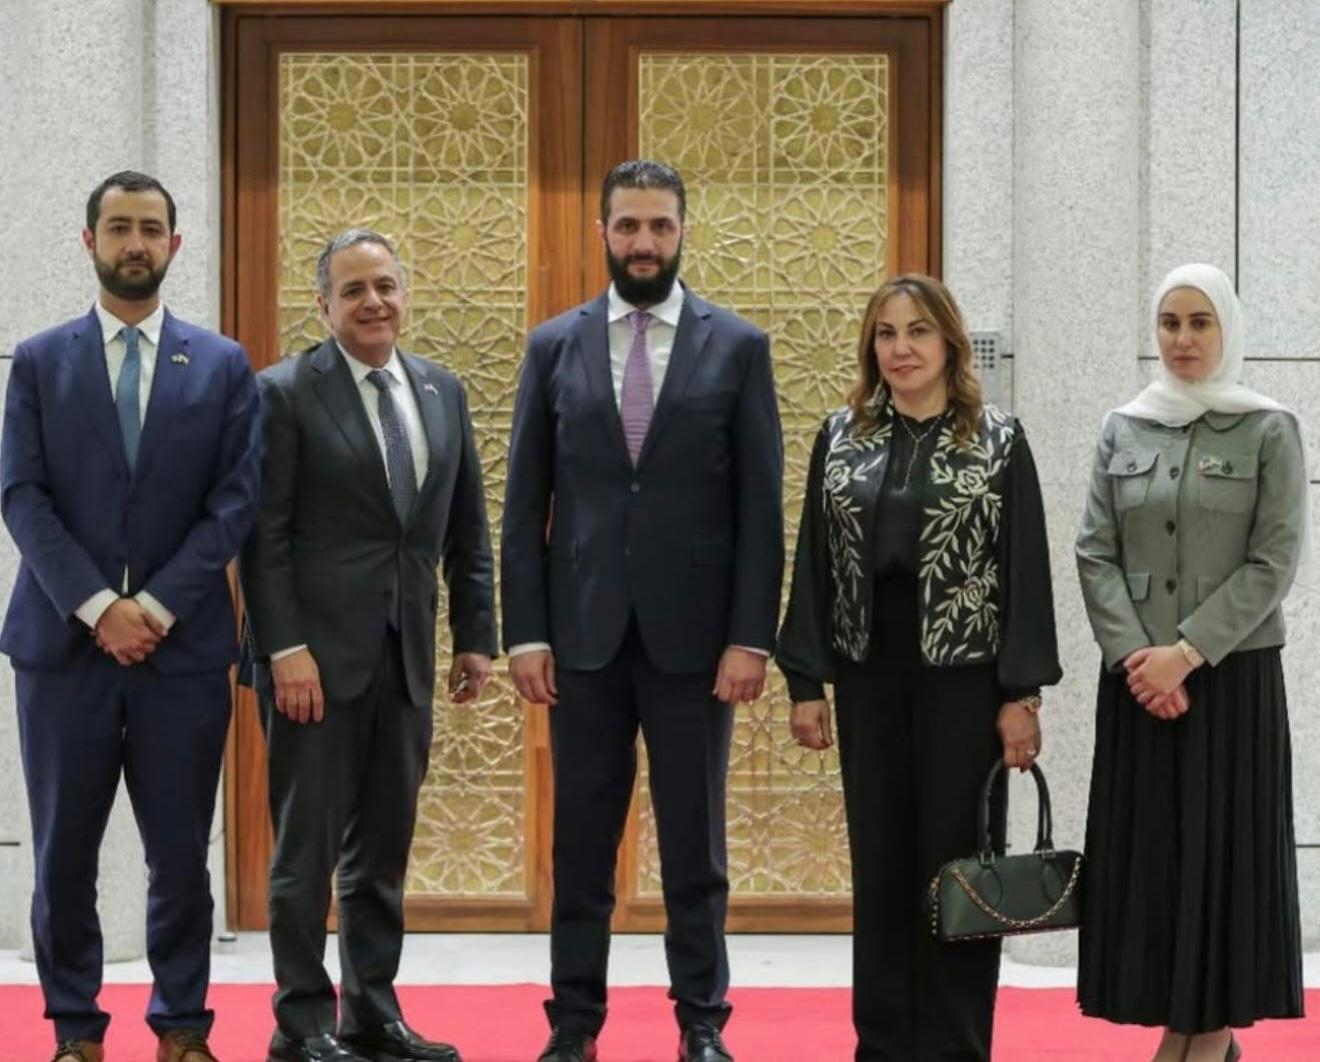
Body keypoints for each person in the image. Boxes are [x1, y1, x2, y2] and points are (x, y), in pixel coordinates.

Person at [501, 159, 784, 1062]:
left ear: (683, 231)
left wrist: (750, 637)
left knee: (696, 853)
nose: (644, 244)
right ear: (602, 232)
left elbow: (761, 507)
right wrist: (525, 631)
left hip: (696, 648)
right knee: (581, 851)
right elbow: (523, 504)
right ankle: (574, 1029)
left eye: (659, 227)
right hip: (581, 642)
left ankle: (702, 1025)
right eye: (628, 227)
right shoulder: (554, 345)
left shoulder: (737, 347)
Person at [0, 171, 262, 1062]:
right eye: (119, 228)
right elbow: (22, 496)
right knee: (63, 857)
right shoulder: (38, 360)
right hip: (62, 651)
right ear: (89, 241)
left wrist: (148, 606)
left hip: (180, 652)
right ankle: (75, 1028)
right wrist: (96, 607)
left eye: (151, 228)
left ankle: (181, 1026)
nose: (135, 243)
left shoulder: (222, 365)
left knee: (181, 857)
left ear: (176, 245)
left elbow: (234, 505)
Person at [776, 273, 1062, 1062]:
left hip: (964, 683)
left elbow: (1023, 571)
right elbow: (813, 564)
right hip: (869, 676)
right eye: (886, 334)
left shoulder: (999, 440)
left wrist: (1021, 694)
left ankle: (957, 1043)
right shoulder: (842, 436)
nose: (901, 349)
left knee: (959, 871)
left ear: (949, 344)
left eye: (917, 333)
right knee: (882, 865)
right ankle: (884, 1043)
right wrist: (806, 683)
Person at [239, 229, 496, 1062]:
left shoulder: (441, 390)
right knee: (304, 855)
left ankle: (371, 1014)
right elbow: (263, 539)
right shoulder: (282, 393)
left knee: (381, 852)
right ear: (324, 306)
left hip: (407, 656)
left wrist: (476, 637)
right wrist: (284, 650)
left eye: (384, 285)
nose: (373, 302)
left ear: (404, 292)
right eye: (353, 291)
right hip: (313, 664)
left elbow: (466, 529)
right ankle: (302, 1024)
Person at [1076, 263, 1308, 1062]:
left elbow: (1274, 560)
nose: (1181, 339)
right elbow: (1093, 552)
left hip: (1231, 678)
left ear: (1227, 330)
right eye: (1170, 322)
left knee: (1223, 858)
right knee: (1159, 859)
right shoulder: (1123, 426)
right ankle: (1181, 1025)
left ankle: (1207, 1034)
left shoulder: (1269, 428)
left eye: (1199, 323)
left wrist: (1187, 652)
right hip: (1138, 683)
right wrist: (1137, 657)